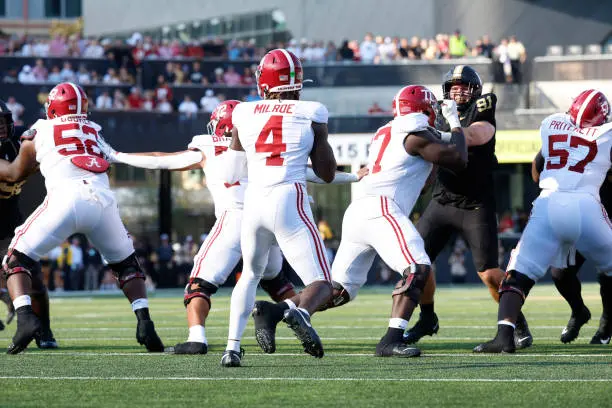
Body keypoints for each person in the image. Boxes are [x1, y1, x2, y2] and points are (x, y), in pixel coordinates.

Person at [107, 99, 366, 355]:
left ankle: (201, 338)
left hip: (236, 220)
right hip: (273, 216)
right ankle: (287, 313)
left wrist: (117, 156)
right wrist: (354, 176)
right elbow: (311, 172)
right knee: (278, 283)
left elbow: (161, 160)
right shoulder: (259, 144)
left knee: (200, 285)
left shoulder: (208, 147)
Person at [303, 85, 467, 358]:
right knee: (417, 267)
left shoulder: (387, 131)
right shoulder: (414, 130)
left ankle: (283, 310)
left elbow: (423, 182)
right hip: (381, 207)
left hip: (359, 210)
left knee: (339, 290)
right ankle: (391, 339)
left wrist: (436, 150)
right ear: (423, 110)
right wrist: (456, 124)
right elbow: (459, 158)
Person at [0, 82, 164, 354]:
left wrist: (42, 154)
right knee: (127, 265)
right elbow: (16, 173)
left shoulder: (35, 131)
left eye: (3, 121)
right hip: (101, 200)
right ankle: (145, 321)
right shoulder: (91, 131)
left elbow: (19, 170)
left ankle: (33, 324)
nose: (3, 127)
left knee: (17, 263)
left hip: (55, 202)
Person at [220, 49, 337, 367]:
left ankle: (231, 349)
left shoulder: (243, 113)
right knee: (322, 283)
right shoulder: (312, 112)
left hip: (255, 201)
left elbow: (230, 175)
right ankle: (298, 313)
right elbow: (327, 174)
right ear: (297, 83)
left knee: (250, 276)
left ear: (264, 83)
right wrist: (317, 139)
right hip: (290, 198)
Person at [405, 65, 533, 350]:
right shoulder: (436, 112)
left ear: (475, 89)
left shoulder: (482, 107)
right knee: (417, 262)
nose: (458, 90)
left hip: (475, 203)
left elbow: (475, 136)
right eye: (453, 86)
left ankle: (515, 320)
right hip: (442, 200)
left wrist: (440, 130)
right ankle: (427, 318)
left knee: (488, 273)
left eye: (464, 85)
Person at [474, 89, 612, 353]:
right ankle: (591, 316)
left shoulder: (551, 124)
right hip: (587, 205)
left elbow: (538, 166)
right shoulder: (607, 134)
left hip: (548, 202)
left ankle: (504, 336)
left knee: (518, 273)